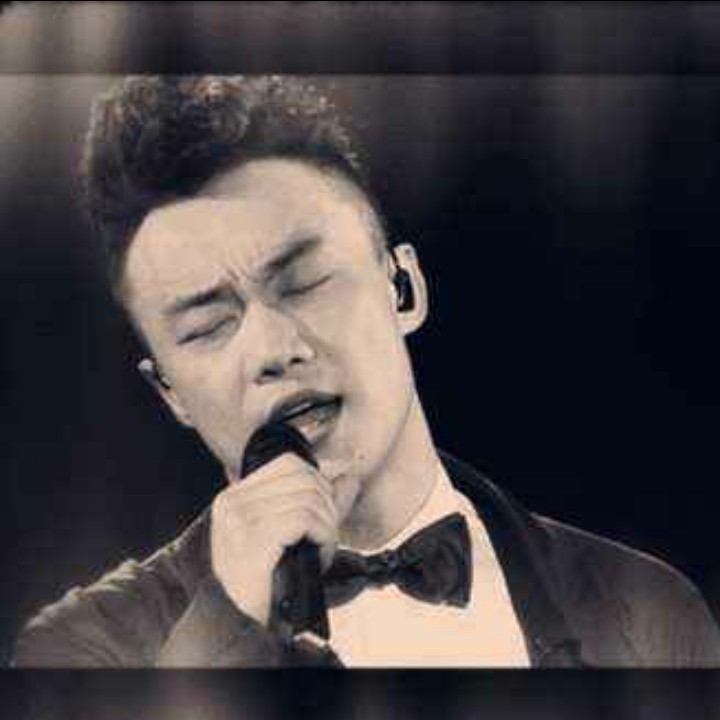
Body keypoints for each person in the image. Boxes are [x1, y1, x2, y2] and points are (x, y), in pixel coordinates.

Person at [12, 75, 720, 668]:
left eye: (304, 282)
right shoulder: (84, 651)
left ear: (402, 287)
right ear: (171, 394)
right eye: (206, 327)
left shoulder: (652, 612)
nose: (273, 349)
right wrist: (228, 622)